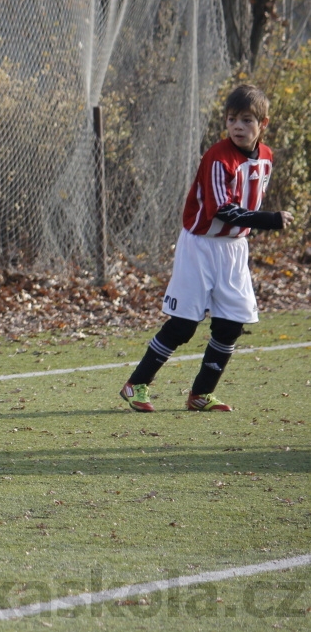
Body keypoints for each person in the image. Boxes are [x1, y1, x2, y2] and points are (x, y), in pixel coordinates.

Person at [121, 84, 293, 413]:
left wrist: (254, 223)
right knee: (184, 324)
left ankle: (201, 394)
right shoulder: (217, 157)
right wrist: (269, 220)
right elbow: (220, 209)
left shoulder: (266, 157)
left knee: (230, 325)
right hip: (199, 246)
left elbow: (247, 203)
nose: (238, 127)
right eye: (232, 120)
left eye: (246, 120)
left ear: (264, 124)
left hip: (234, 249)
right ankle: (136, 384)